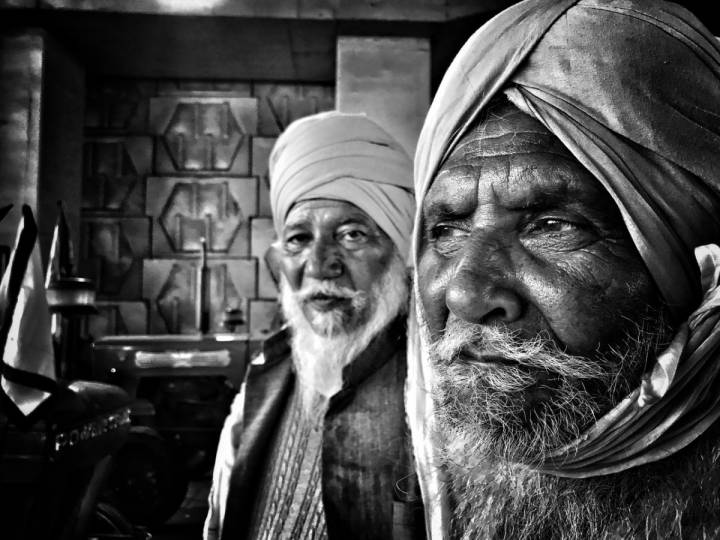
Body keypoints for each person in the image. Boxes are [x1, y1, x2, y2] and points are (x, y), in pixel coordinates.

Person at [406, 0, 720, 538]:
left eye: (552, 225)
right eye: (446, 230)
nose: (464, 293)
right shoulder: (432, 453)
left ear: (691, 249)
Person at [205, 111, 422, 540]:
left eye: (352, 234)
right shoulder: (264, 376)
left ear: (399, 253)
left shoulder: (433, 395)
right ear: (278, 261)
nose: (321, 265)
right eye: (299, 238)